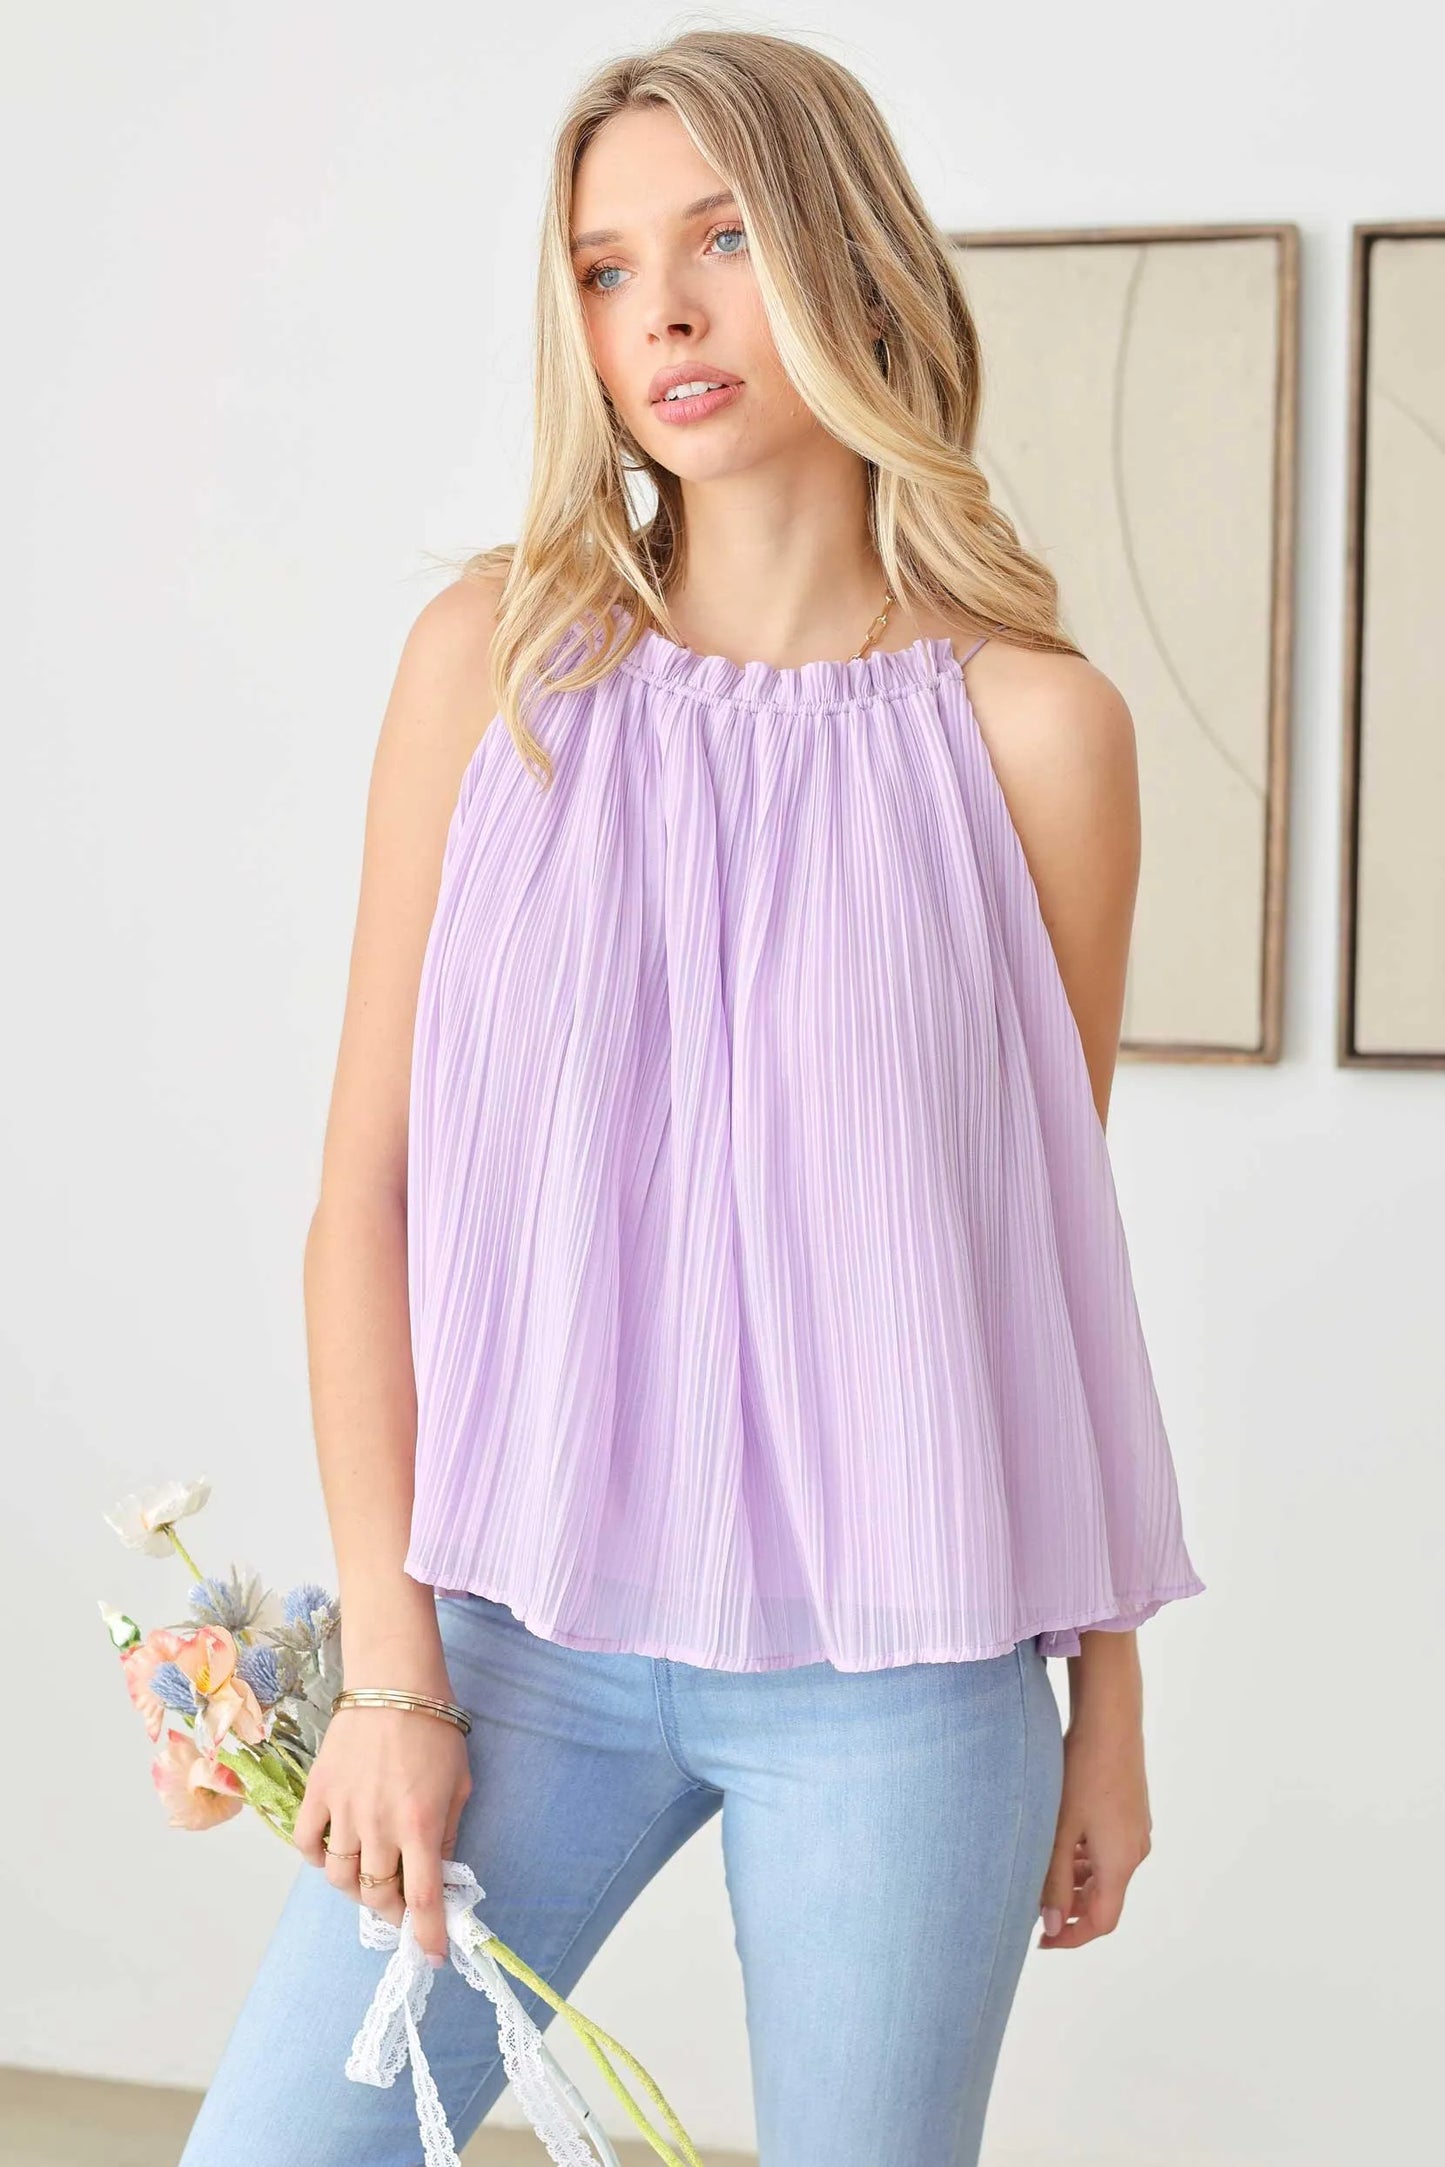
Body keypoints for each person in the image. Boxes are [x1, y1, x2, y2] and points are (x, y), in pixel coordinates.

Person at [178, 27, 1205, 2166]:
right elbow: (364, 1190)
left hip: (910, 1670)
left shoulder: (1037, 733)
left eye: (723, 240)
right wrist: (390, 1668)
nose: (660, 313)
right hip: (513, 1636)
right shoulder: (494, 664)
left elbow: (1036, 1260)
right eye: (604, 267)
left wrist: (1104, 1689)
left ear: (848, 259)